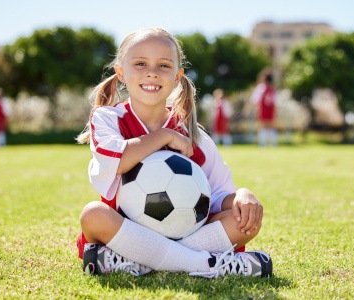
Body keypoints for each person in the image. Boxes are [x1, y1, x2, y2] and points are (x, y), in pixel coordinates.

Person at [76, 28, 272, 278]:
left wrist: (243, 197)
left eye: (164, 65)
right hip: (124, 231)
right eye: (140, 63)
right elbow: (119, 161)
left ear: (178, 76)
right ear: (121, 72)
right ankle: (205, 264)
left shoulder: (194, 135)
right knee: (93, 215)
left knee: (244, 221)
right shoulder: (108, 118)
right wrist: (165, 136)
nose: (152, 72)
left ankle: (139, 262)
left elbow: (218, 195)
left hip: (185, 231)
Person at [244, 71, 277, 147]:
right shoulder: (272, 89)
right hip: (270, 111)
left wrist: (248, 108)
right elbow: (275, 102)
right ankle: (273, 144)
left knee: (262, 127)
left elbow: (254, 100)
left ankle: (263, 144)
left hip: (263, 110)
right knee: (270, 127)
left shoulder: (261, 88)